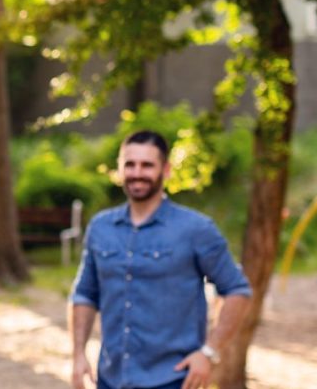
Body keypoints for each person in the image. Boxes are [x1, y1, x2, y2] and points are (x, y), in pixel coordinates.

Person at [69, 130, 252, 389]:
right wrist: (78, 354)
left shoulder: (195, 229)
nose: (137, 173)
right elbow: (85, 295)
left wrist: (209, 352)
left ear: (165, 170)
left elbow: (237, 290)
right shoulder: (101, 228)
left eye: (147, 165)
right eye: (130, 164)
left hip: (172, 380)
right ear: (120, 169)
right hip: (110, 380)